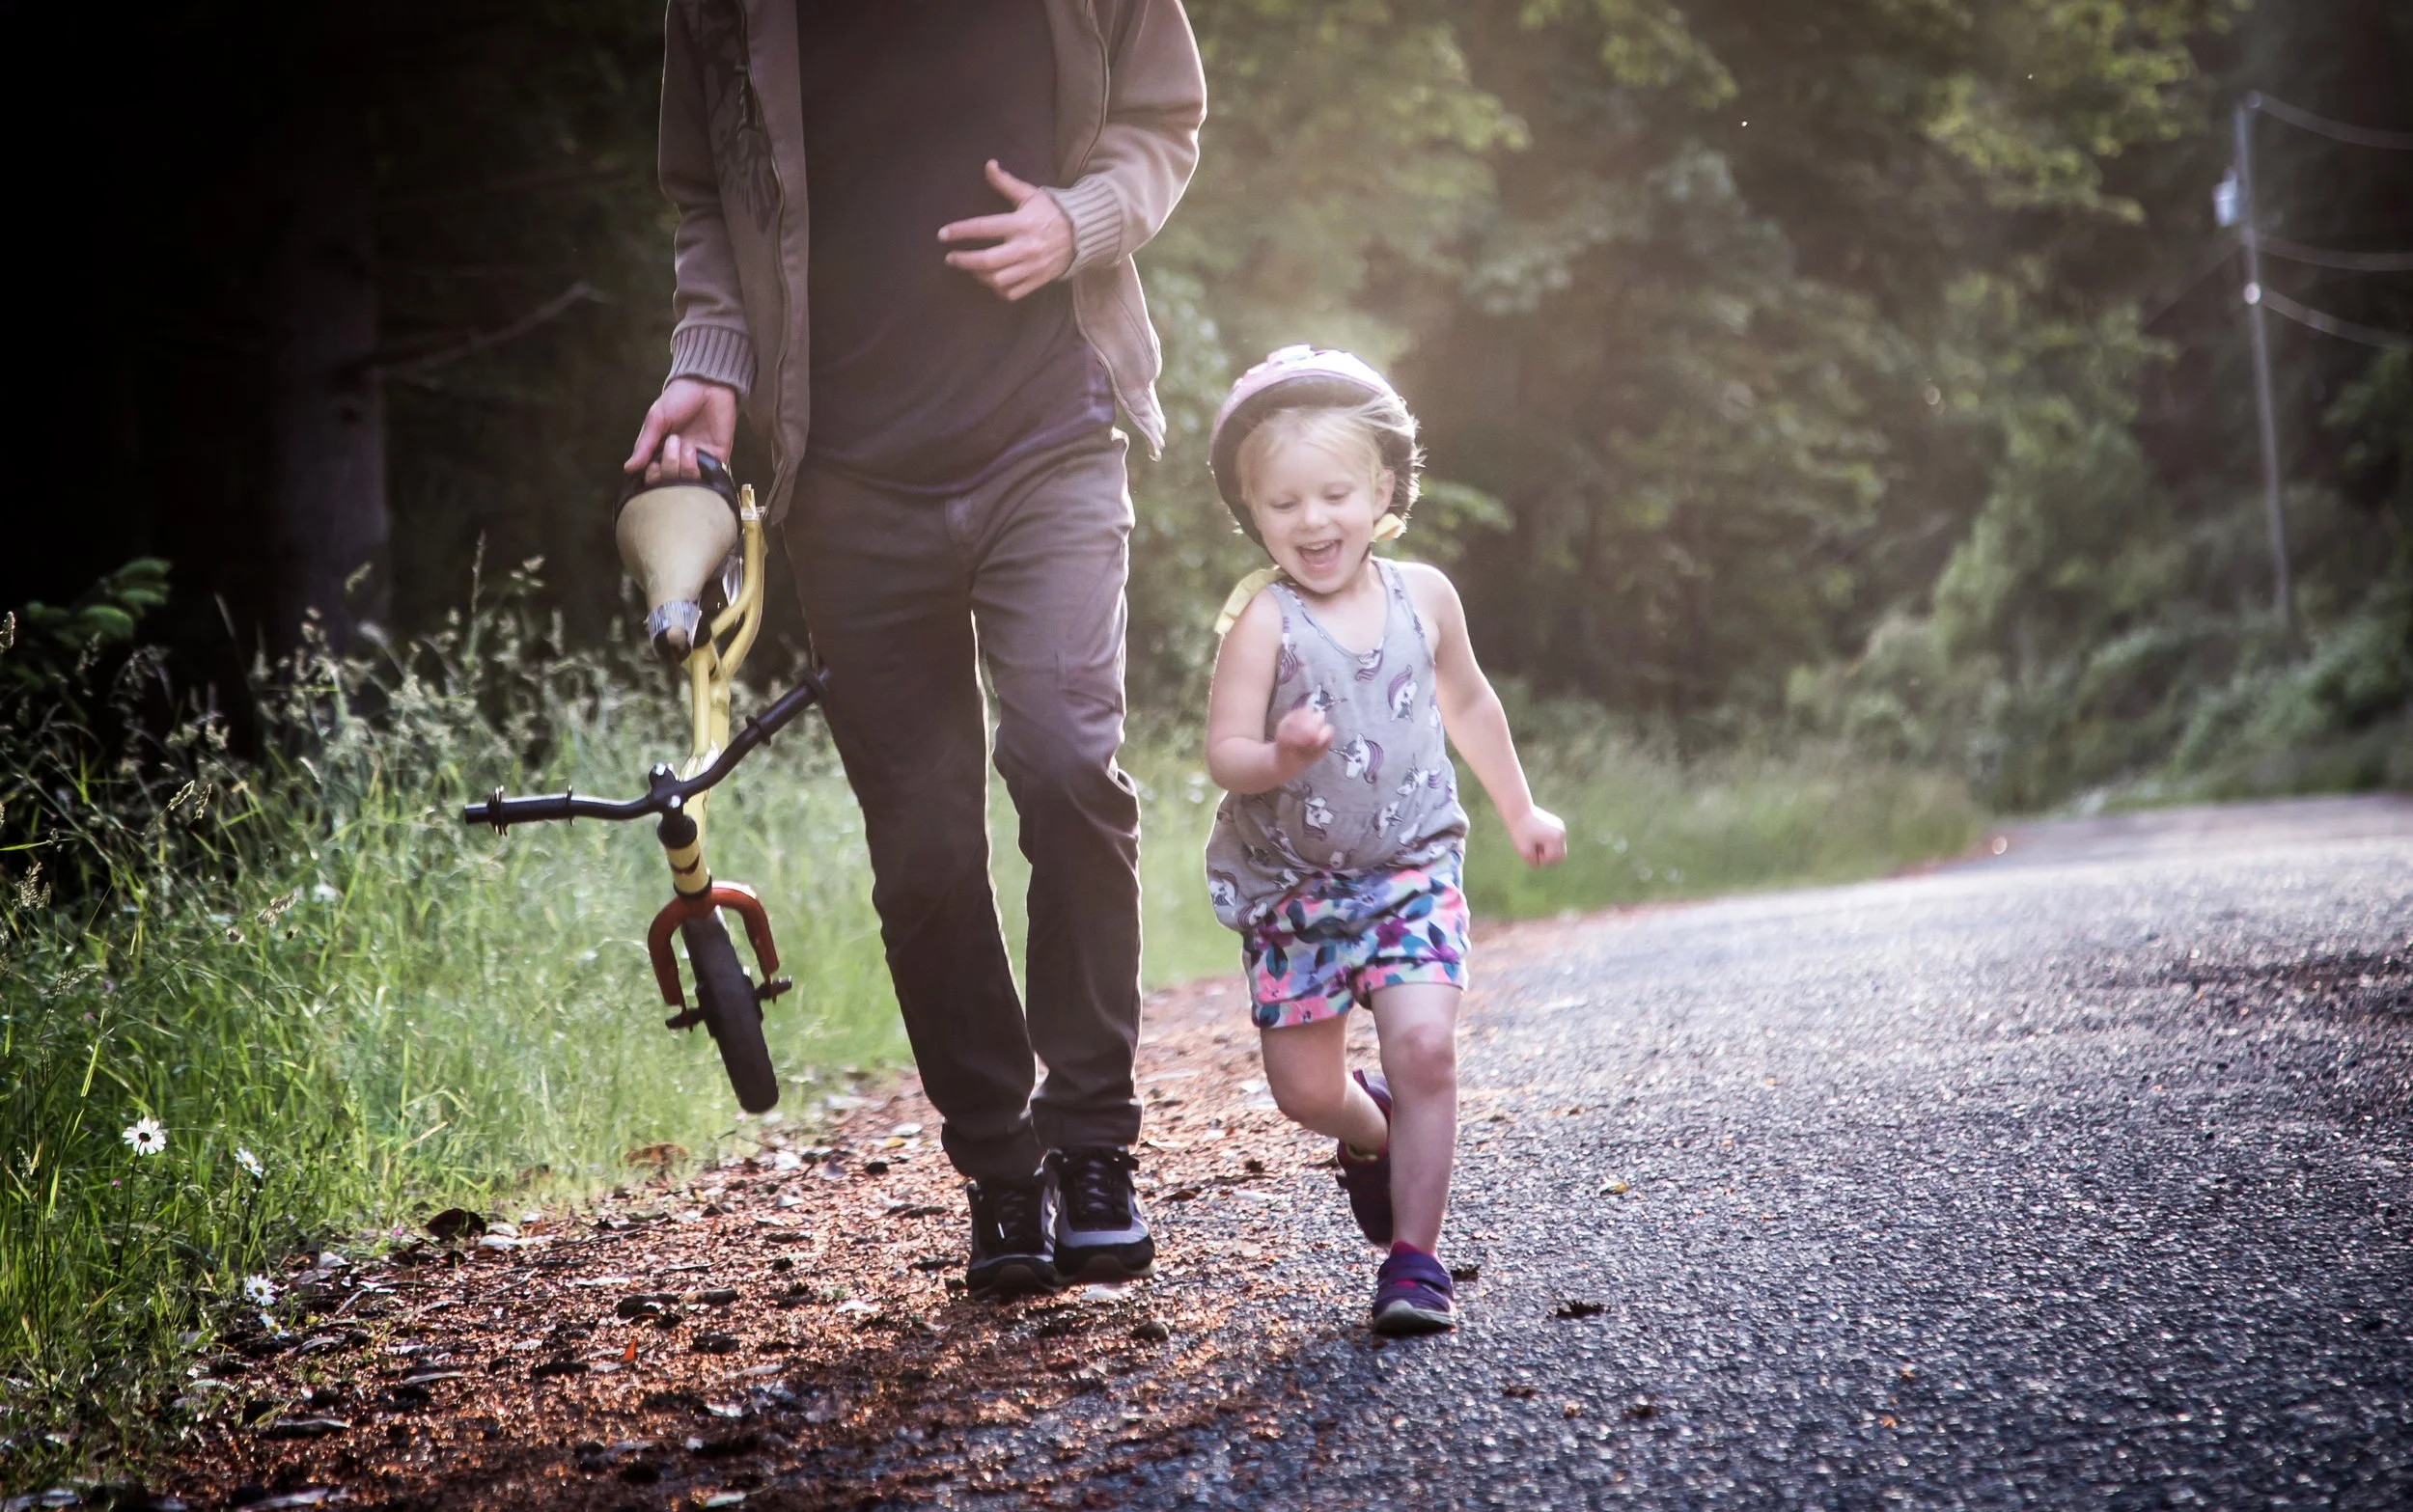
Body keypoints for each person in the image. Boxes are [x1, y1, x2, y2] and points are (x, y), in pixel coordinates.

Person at [623, 1, 1206, 1298]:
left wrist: (1082, 222)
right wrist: (710, 358)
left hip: (1049, 427)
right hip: (845, 471)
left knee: (1063, 759)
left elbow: (1162, 120)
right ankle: (1000, 1166)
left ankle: (1095, 1143)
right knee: (926, 844)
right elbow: (707, 195)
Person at [1201, 346, 1567, 1334]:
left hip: (1411, 870)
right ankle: (1367, 1133)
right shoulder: (1261, 622)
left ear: (1384, 489)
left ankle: (1415, 1260)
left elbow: (1469, 703)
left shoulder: (1426, 596)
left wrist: (1520, 810)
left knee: (1424, 1048)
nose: (1312, 521)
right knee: (1304, 1091)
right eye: (1283, 504)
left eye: (1333, 494)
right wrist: (1274, 755)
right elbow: (1224, 751)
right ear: (1252, 513)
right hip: (1293, 891)